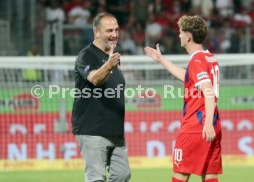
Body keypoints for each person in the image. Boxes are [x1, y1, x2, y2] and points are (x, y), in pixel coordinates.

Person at [144, 15, 222, 182]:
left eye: (180, 32)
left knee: (180, 174)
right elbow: (188, 77)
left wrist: (207, 122)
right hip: (213, 124)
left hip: (196, 126)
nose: (179, 35)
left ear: (188, 36)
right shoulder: (209, 58)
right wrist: (161, 60)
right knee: (209, 174)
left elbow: (207, 91)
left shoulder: (196, 61)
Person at [71, 12, 131, 182]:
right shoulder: (86, 55)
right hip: (92, 129)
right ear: (97, 32)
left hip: (114, 130)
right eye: (109, 30)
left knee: (122, 175)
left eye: (116, 30)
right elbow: (95, 79)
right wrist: (109, 65)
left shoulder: (111, 57)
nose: (114, 35)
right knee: (96, 177)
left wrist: (110, 63)